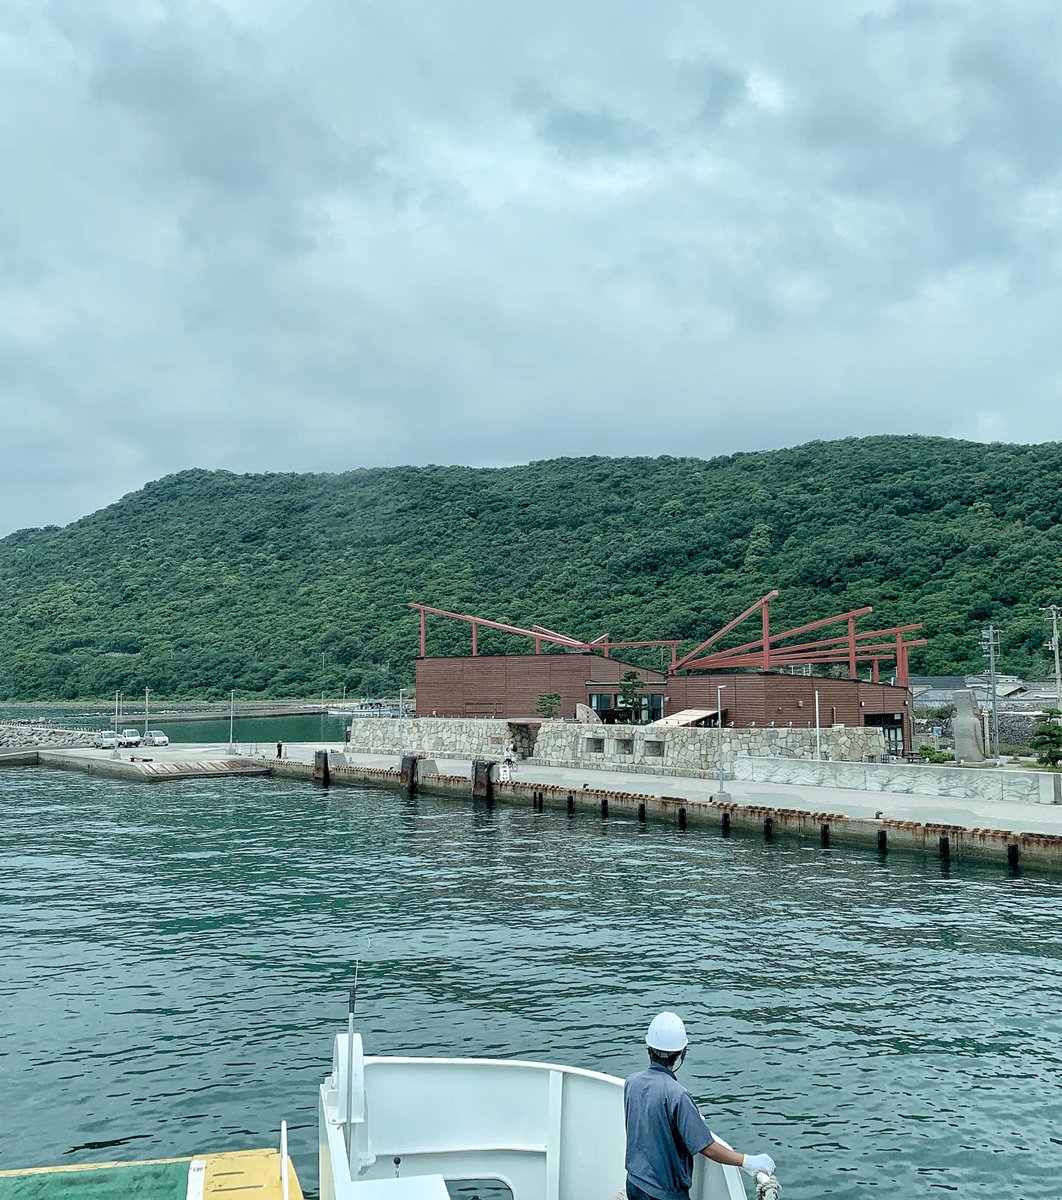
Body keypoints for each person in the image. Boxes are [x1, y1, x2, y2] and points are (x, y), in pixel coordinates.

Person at [624, 1011, 776, 1200]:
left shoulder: (631, 1082)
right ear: (681, 1053)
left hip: (634, 1183)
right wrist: (746, 1161)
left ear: (649, 1048)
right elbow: (706, 1147)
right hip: (664, 1194)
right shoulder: (678, 1095)